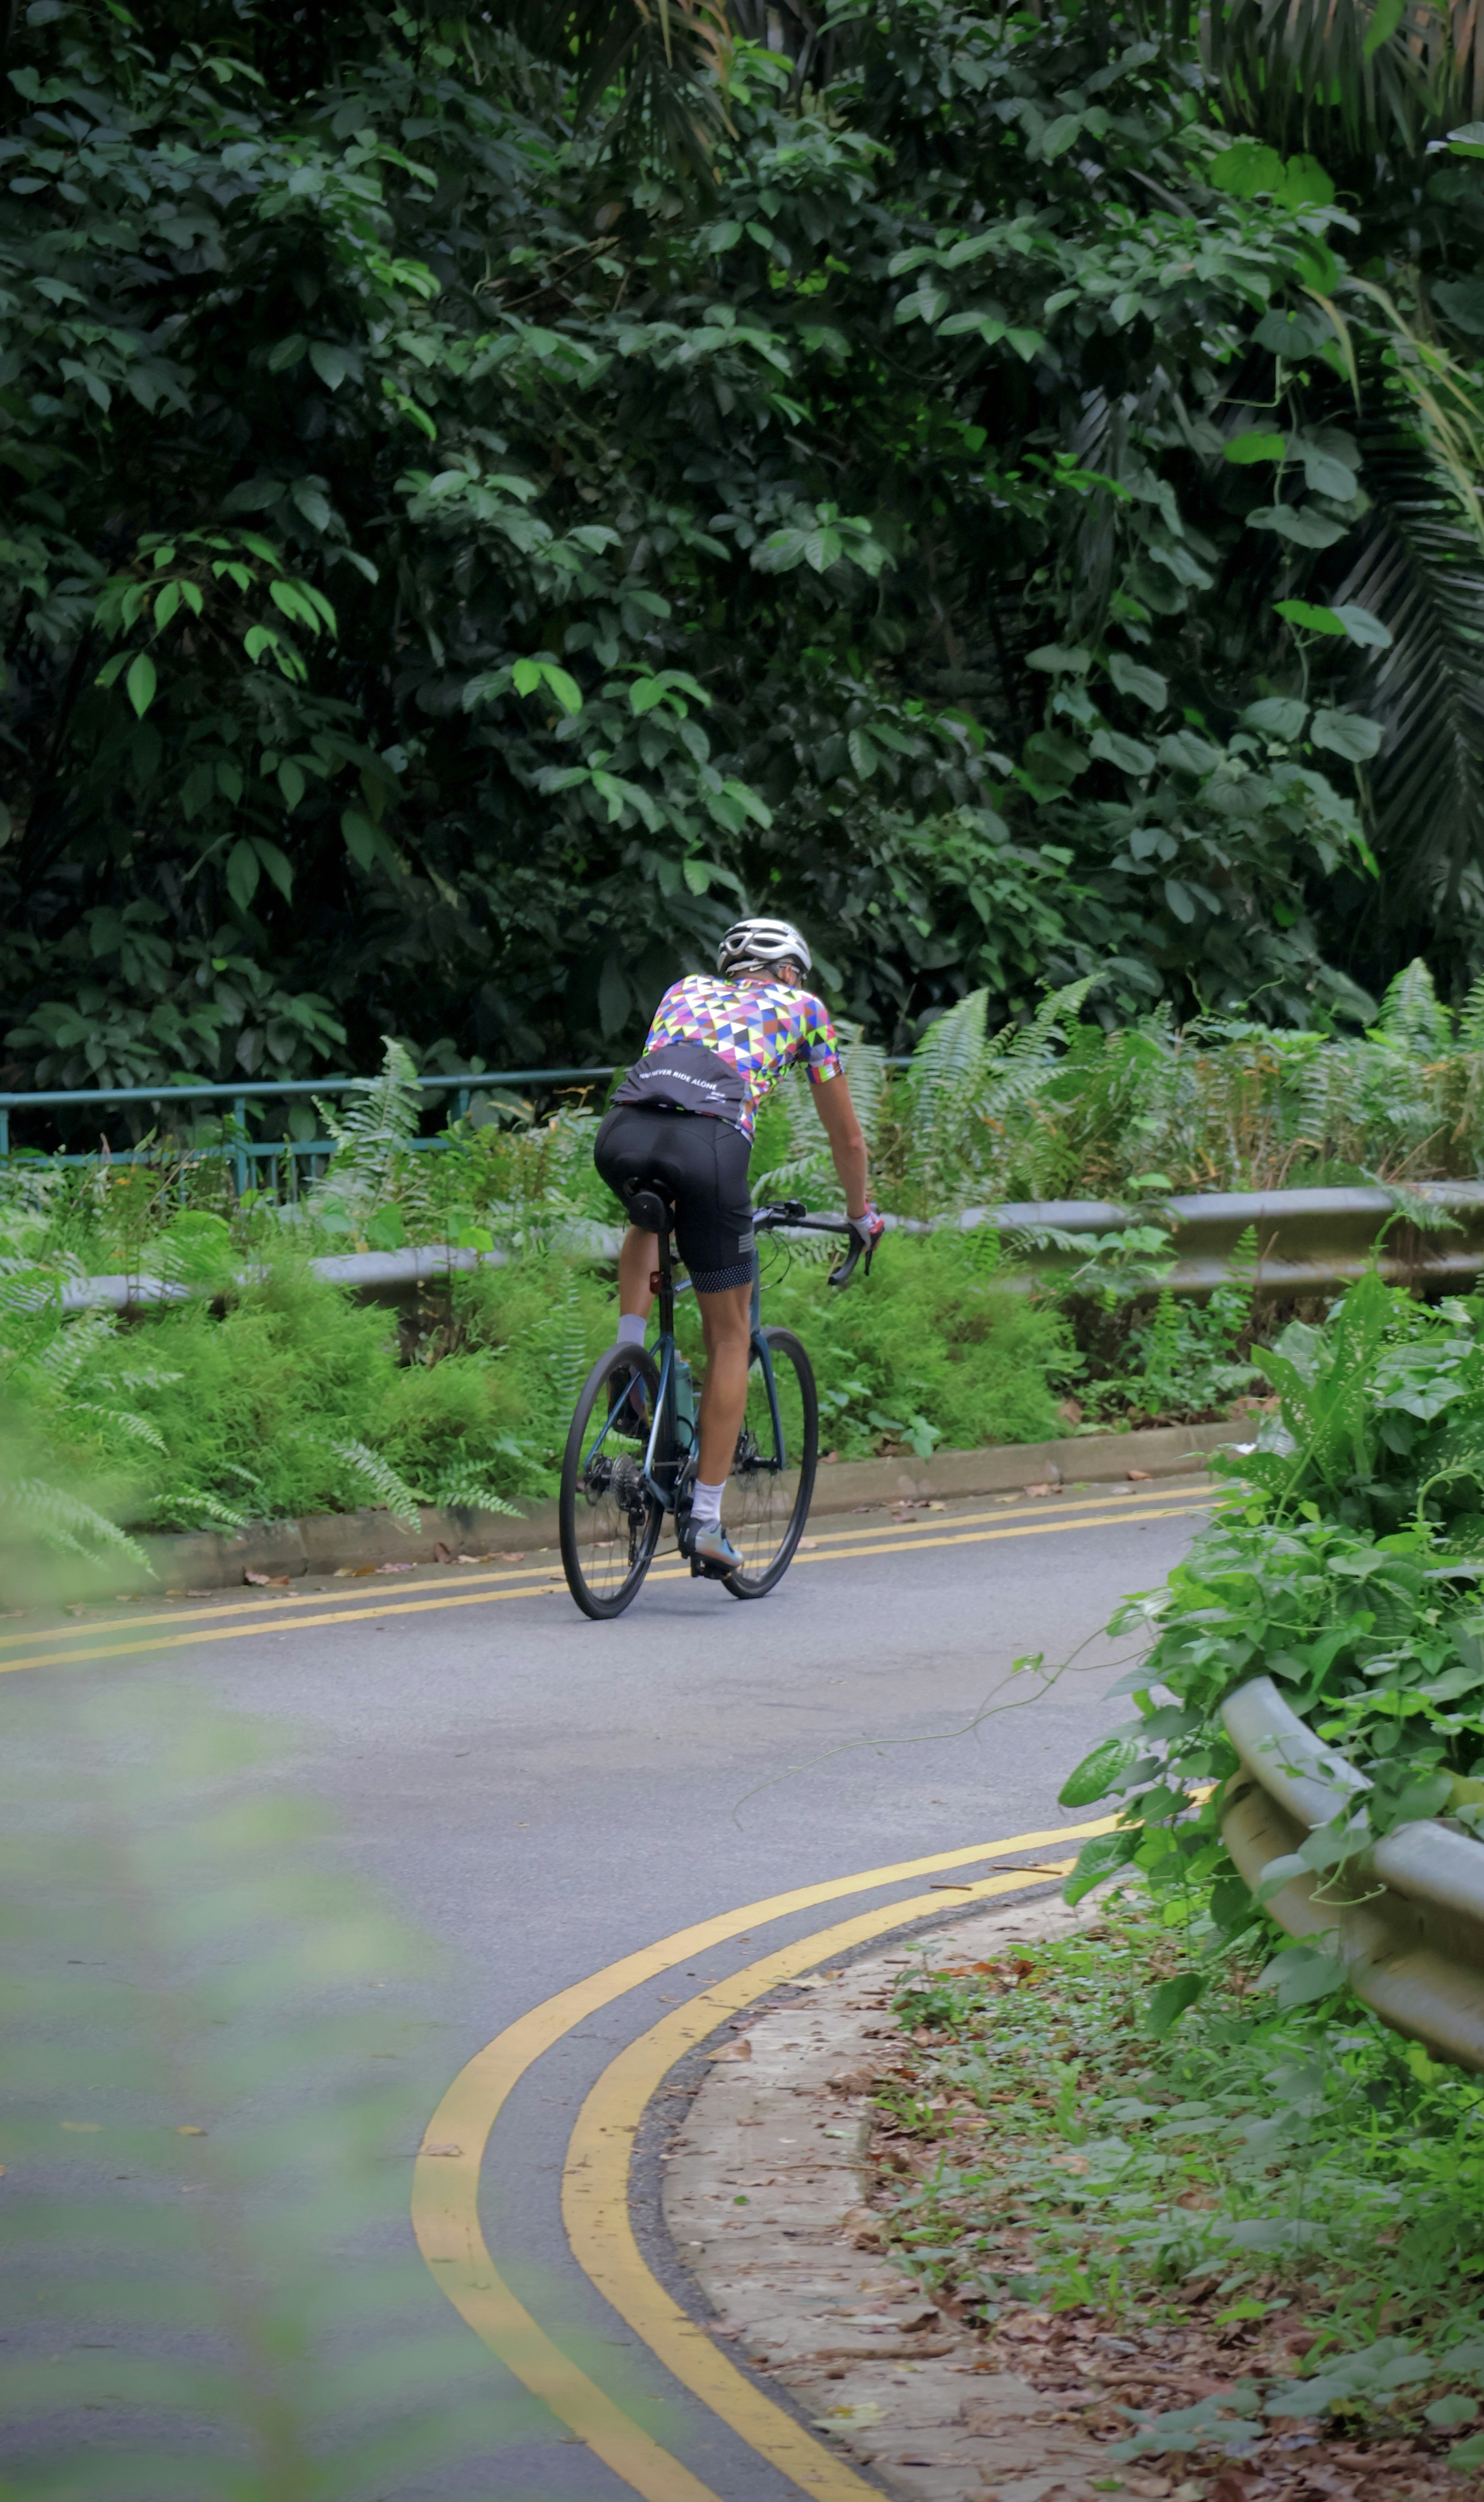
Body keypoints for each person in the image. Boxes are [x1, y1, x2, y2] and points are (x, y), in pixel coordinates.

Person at [593, 916, 881, 1575]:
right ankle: (705, 1522)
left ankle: (628, 1356)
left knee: (650, 1214)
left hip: (622, 1133)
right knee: (729, 1338)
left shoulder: (682, 990)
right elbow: (849, 1139)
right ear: (787, 971)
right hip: (713, 1147)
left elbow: (669, 1090)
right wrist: (861, 1214)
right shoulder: (804, 1009)